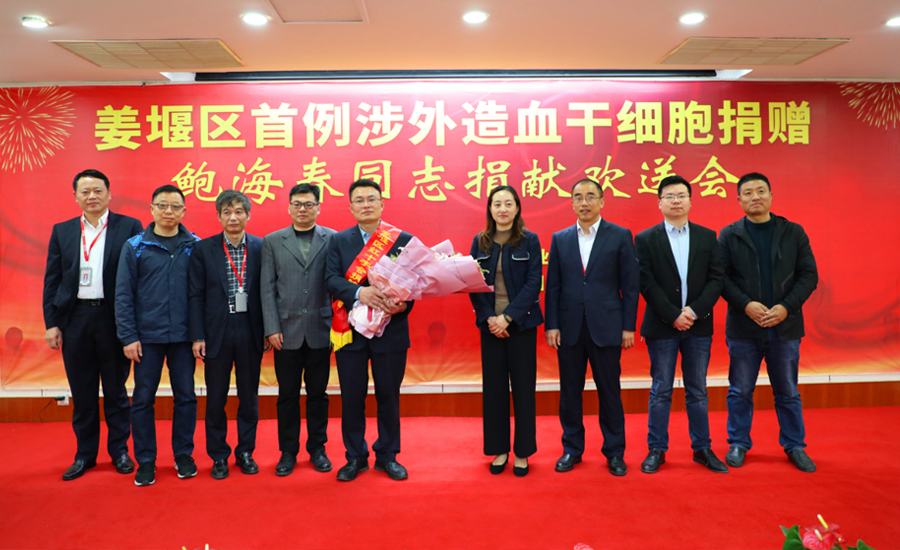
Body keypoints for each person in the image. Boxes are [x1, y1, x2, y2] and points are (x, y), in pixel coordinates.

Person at [42, 169, 143, 481]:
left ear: (109, 194)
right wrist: (51, 323)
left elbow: (139, 277)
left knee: (116, 391)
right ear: (75, 197)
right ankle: (84, 455)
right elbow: (52, 280)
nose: (92, 196)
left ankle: (119, 451)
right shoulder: (63, 231)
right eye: (85, 191)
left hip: (114, 319)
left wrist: (133, 325)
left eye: (98, 190)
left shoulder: (130, 226)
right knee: (83, 393)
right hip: (76, 319)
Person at [718, 172, 818, 472]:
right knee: (740, 390)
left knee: (788, 391)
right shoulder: (729, 235)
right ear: (739, 200)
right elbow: (720, 278)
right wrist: (745, 304)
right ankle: (738, 443)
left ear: (771, 196)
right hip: (743, 328)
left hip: (784, 327)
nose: (755, 197)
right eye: (748, 193)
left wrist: (786, 307)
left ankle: (795, 445)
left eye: (761, 191)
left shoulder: (793, 232)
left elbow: (809, 275)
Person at [545, 178, 639, 476]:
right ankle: (572, 449)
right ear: (571, 202)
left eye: (590, 196)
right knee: (569, 393)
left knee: (609, 392)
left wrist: (628, 327)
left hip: (607, 327)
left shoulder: (620, 235)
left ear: (601, 201)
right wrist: (552, 325)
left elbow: (630, 286)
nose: (584, 202)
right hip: (569, 328)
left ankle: (615, 451)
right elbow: (553, 286)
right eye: (578, 197)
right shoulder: (560, 238)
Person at [634, 175, 727, 474]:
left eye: (682, 195)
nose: (676, 200)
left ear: (690, 200)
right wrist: (673, 314)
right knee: (661, 389)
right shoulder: (645, 239)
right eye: (670, 196)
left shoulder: (707, 236)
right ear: (659, 202)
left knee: (697, 389)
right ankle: (656, 449)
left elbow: (716, 279)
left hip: (698, 326)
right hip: (662, 326)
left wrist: (694, 311)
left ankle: (702, 448)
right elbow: (646, 282)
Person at [325, 179, 414, 481]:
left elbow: (415, 283)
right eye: (359, 200)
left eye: (371, 199)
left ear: (382, 204)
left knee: (388, 395)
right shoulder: (338, 240)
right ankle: (355, 457)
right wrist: (358, 293)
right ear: (351, 207)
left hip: (391, 330)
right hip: (349, 331)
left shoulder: (401, 239)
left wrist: (404, 305)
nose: (366, 204)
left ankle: (388, 456)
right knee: (352, 397)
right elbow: (330, 279)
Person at [116, 184, 200, 486]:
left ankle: (183, 455)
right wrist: (128, 337)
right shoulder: (135, 246)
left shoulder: (195, 245)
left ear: (184, 211)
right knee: (142, 399)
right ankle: (146, 460)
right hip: (146, 338)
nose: (168, 211)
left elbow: (201, 295)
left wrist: (199, 335)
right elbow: (123, 295)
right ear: (151, 209)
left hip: (183, 338)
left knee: (186, 397)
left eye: (175, 206)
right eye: (162, 205)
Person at [188, 190, 265, 480]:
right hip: (215, 333)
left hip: (250, 330)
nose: (233, 217)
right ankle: (219, 455)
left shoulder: (261, 247)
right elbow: (195, 295)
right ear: (219, 216)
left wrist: (268, 329)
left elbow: (268, 291)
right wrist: (198, 335)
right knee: (216, 398)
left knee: (249, 396)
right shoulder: (203, 249)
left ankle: (245, 452)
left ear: (248, 215)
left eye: (238, 211)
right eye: (227, 212)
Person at [261, 183, 336, 476]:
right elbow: (267, 289)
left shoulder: (333, 238)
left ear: (318, 207)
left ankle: (318, 448)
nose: (302, 209)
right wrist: (271, 327)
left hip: (321, 329)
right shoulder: (272, 241)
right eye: (297, 204)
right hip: (285, 332)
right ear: (289, 207)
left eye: (308, 204)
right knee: (287, 395)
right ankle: (288, 451)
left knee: (318, 394)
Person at [469, 186, 543, 477]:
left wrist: (508, 317)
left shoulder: (529, 240)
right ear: (490, 208)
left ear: (517, 208)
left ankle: (523, 452)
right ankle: (499, 449)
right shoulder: (480, 241)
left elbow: (534, 283)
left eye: (508, 203)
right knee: (494, 391)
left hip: (521, 326)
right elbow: (473, 282)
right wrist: (490, 319)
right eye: (497, 204)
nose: (502, 209)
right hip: (490, 328)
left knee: (523, 390)